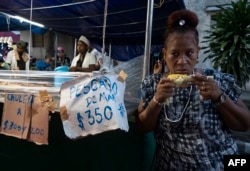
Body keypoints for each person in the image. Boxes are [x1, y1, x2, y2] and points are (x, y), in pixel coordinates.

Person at [136, 9, 250, 171]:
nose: (182, 61)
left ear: (198, 53)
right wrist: (157, 100)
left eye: (189, 53)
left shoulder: (215, 80)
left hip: (219, 163)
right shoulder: (154, 84)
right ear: (164, 54)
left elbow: (245, 124)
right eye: (174, 54)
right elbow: (142, 127)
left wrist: (219, 97)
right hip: (172, 165)